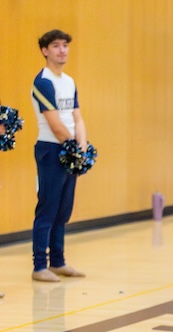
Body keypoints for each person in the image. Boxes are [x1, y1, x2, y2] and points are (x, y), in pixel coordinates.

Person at [30, 29, 87, 282]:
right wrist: (72, 145)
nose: (62, 50)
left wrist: (82, 145)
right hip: (51, 149)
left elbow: (77, 116)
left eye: (65, 45)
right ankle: (39, 266)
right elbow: (54, 124)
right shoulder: (43, 82)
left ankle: (58, 261)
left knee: (64, 209)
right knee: (48, 208)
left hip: (70, 149)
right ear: (45, 51)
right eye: (56, 46)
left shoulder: (70, 81)